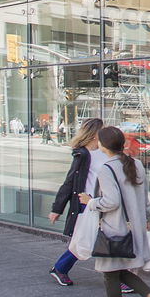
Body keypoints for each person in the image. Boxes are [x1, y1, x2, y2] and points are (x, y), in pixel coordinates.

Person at [78, 125, 150, 297]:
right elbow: (144, 198)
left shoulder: (107, 169)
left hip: (115, 228)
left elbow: (111, 202)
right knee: (118, 270)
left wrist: (90, 202)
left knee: (110, 271)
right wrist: (147, 218)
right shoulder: (136, 164)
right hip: (135, 226)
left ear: (103, 145)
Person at [48, 117, 104, 286]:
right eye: (103, 130)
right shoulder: (83, 155)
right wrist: (57, 209)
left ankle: (60, 268)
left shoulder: (104, 152)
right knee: (85, 240)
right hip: (86, 203)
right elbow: (69, 182)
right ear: (94, 134)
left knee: (103, 238)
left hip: (102, 202)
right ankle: (60, 268)